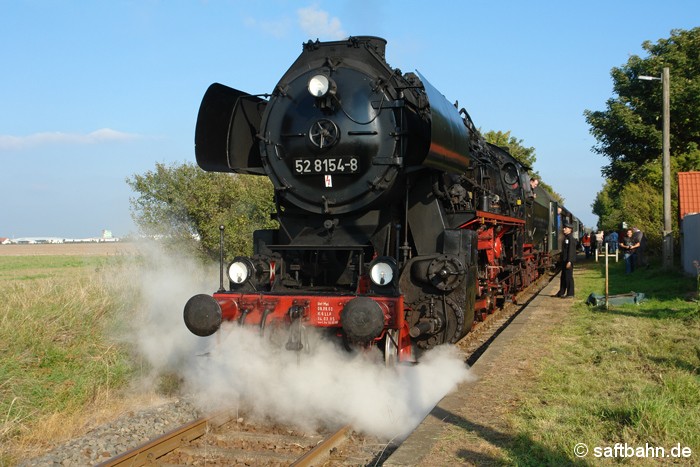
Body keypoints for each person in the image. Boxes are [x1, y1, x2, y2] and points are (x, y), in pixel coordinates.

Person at [554, 221, 576, 298]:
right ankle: (561, 292)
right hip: (564, 260)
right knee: (563, 277)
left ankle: (570, 293)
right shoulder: (566, 238)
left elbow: (571, 251)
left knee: (569, 277)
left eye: (565, 228)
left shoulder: (571, 239)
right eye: (564, 228)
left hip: (568, 261)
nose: (563, 229)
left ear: (570, 229)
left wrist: (569, 261)